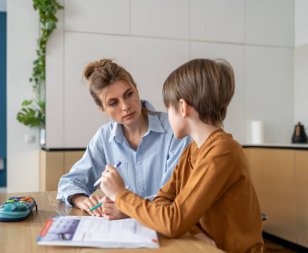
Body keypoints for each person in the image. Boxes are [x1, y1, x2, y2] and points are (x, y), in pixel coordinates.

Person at [100, 58, 264, 252]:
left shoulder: (223, 152)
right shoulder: (191, 149)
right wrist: (193, 230)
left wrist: (120, 195)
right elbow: (164, 200)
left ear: (183, 107)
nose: (166, 115)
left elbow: (173, 220)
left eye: (168, 108)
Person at [57, 59, 191, 220]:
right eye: (113, 103)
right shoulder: (104, 137)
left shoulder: (174, 129)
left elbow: (174, 195)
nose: (125, 106)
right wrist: (81, 200)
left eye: (129, 94)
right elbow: (69, 183)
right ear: (102, 109)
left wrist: (126, 206)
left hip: (170, 227)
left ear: (136, 89)